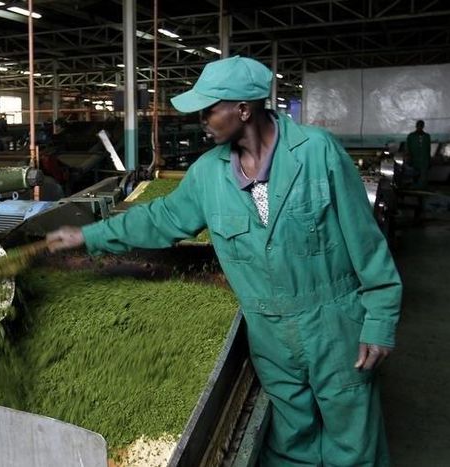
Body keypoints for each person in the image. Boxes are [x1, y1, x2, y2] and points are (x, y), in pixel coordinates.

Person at [46, 56, 402, 466]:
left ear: (244, 110)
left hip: (334, 327)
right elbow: (161, 219)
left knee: (353, 445)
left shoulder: (318, 152)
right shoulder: (207, 174)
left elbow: (367, 243)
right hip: (269, 335)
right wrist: (89, 235)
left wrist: (379, 322)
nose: (202, 119)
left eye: (209, 109)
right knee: (291, 443)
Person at [406, 119, 431, 189]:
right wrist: (409, 158)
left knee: (423, 177)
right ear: (416, 126)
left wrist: (429, 161)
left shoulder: (427, 136)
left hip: (424, 160)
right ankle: (415, 188)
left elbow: (428, 149)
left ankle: (422, 190)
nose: (420, 127)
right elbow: (408, 148)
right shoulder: (411, 136)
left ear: (423, 126)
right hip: (414, 159)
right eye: (418, 126)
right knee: (414, 175)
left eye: (421, 126)